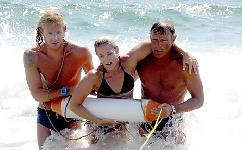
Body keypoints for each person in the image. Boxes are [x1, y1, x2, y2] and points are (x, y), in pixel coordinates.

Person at [68, 36, 197, 146]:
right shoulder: (94, 77)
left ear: (117, 50)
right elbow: (74, 105)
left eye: (109, 54)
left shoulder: (129, 63)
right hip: (99, 122)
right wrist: (97, 120)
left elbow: (155, 43)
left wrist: (185, 53)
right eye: (101, 56)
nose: (107, 59)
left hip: (124, 119)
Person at [23, 10, 93, 149]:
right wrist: (67, 91)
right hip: (46, 113)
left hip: (72, 111)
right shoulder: (32, 56)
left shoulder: (80, 52)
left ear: (65, 29)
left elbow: (94, 82)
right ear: (42, 31)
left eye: (58, 32)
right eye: (50, 33)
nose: (55, 38)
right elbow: (37, 94)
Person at [135, 20, 204, 142]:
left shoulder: (185, 64)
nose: (158, 46)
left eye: (163, 41)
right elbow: (123, 77)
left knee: (178, 140)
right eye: (154, 40)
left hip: (173, 117)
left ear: (173, 39)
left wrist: (172, 109)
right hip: (146, 115)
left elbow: (199, 100)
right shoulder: (142, 60)